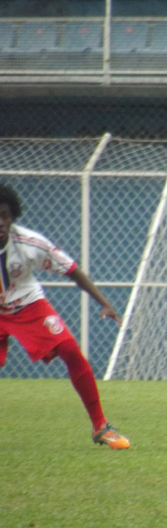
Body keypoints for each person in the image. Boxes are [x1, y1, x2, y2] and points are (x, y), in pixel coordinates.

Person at [0, 183, 130, 449]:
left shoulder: (30, 243)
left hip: (27, 305)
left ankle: (101, 426)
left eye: (4, 215)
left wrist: (104, 303)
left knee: (70, 350)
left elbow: (72, 270)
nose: (0, 222)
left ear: (12, 217)